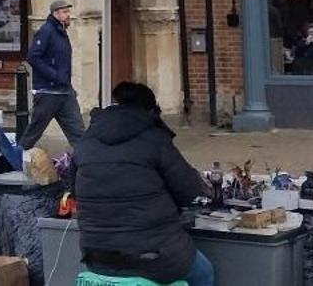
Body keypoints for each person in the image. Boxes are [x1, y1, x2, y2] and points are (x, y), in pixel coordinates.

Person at [71, 81, 216, 286]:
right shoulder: (156, 140)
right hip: (152, 256)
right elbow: (189, 191)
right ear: (150, 110)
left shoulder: (85, 142)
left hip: (96, 256)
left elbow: (75, 191)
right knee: (204, 273)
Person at [21, 1, 86, 152]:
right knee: (33, 132)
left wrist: (65, 83)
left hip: (65, 92)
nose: (68, 15)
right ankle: (14, 160)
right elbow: (33, 57)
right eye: (64, 12)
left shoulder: (61, 32)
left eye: (68, 12)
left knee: (79, 133)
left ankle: (86, 166)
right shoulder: (47, 31)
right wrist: (54, 76)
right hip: (48, 92)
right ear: (55, 14)